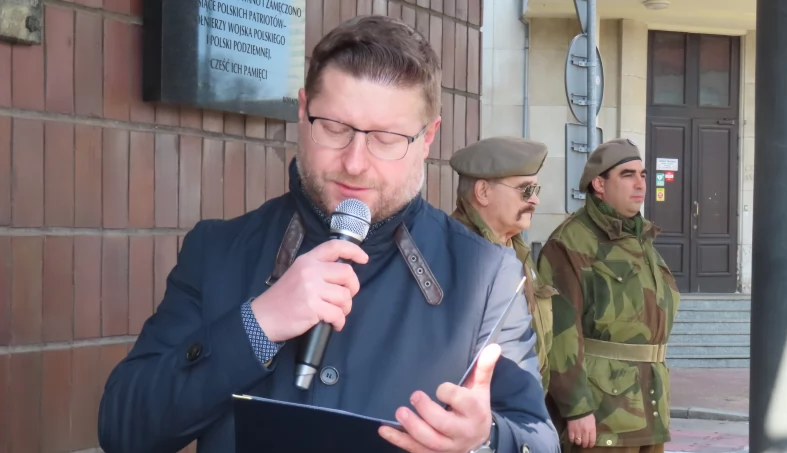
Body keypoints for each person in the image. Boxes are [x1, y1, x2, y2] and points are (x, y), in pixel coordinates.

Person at [97, 15, 559, 453]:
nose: (355, 163)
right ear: (303, 111)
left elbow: (539, 439)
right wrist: (256, 325)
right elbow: (124, 429)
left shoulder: (486, 277)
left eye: (385, 139)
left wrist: (484, 439)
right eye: (335, 128)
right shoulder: (217, 251)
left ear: (428, 138)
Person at [537, 138, 680, 453]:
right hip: (601, 414)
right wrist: (576, 408)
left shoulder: (639, 237)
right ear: (599, 184)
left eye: (643, 175)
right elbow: (560, 332)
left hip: (649, 406)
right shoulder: (572, 243)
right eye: (627, 175)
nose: (640, 184)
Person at [449, 136, 558, 392]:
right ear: (483, 192)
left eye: (536, 191)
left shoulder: (516, 249)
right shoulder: (455, 253)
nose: (535, 201)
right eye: (525, 190)